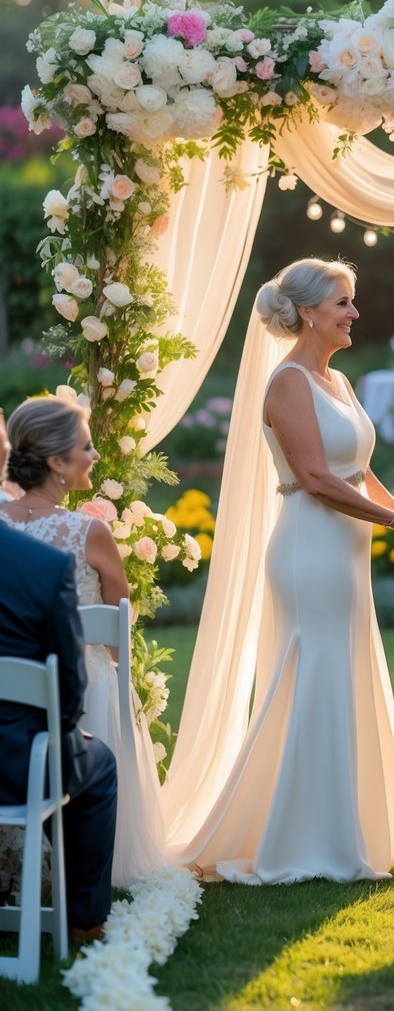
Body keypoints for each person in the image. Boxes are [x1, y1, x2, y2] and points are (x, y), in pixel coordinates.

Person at [173, 257, 394, 883]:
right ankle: (304, 839)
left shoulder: (336, 382)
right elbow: (314, 477)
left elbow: (357, 472)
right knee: (314, 678)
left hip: (345, 549)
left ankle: (347, 829)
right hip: (309, 547)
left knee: (341, 673)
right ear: (309, 311)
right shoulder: (288, 382)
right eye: (344, 302)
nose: (355, 313)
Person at [0, 394, 166, 888]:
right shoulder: (89, 531)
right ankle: (88, 892)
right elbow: (119, 627)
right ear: (57, 462)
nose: (94, 456)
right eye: (86, 446)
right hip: (78, 694)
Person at [0, 519, 117, 943]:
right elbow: (69, 687)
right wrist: (66, 730)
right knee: (97, 764)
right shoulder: (43, 565)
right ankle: (84, 923)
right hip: (14, 765)